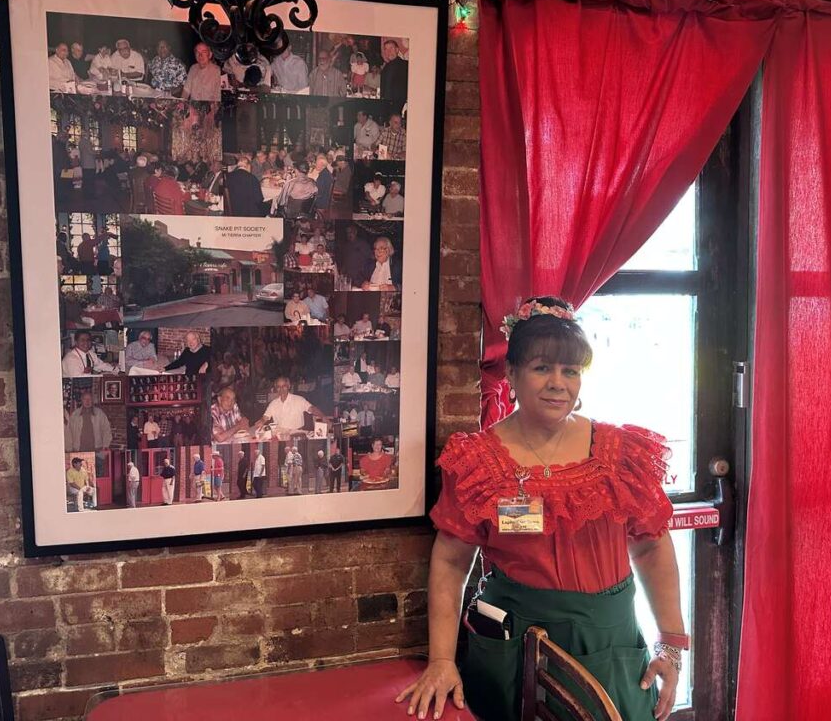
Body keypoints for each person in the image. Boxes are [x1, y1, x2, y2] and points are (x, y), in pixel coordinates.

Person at [397, 296, 684, 721]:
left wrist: (671, 645)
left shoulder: (619, 453)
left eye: (570, 370)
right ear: (512, 373)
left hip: (611, 643)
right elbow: (452, 562)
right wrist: (442, 660)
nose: (558, 383)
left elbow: (651, 549)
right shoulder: (479, 460)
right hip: (514, 648)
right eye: (541, 368)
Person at [261, 376, 326, 433]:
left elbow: (312, 409)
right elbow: (265, 417)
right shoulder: (273, 403)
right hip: (280, 434)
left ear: (288, 386)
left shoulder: (299, 400)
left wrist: (323, 417)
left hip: (297, 433)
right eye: (278, 387)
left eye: (284, 386)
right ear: (276, 388)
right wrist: (261, 422)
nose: (281, 389)